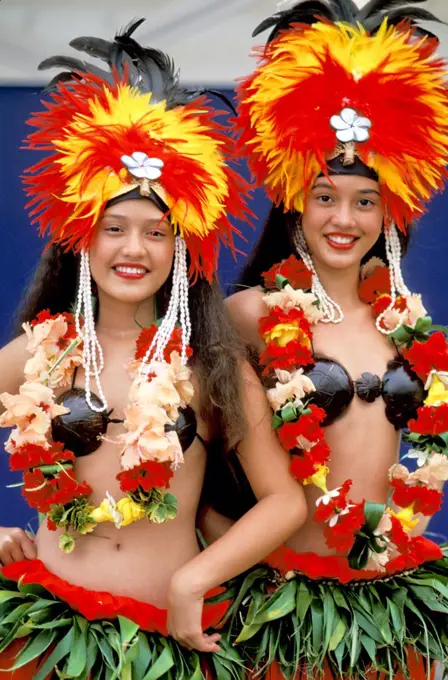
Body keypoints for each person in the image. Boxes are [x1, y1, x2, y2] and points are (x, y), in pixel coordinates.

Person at [0, 21, 308, 679]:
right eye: (114, 228)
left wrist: (194, 580)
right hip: (45, 633)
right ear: (82, 238)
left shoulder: (210, 365)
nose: (133, 249)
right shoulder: (39, 354)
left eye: (156, 232)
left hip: (163, 646)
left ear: (183, 249)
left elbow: (284, 500)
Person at [201, 0, 448, 677]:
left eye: (364, 201)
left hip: (392, 601)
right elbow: (186, 458)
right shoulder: (249, 315)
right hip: (280, 612)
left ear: (390, 208)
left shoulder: (407, 324)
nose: (345, 218)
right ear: (294, 201)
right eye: (325, 196)